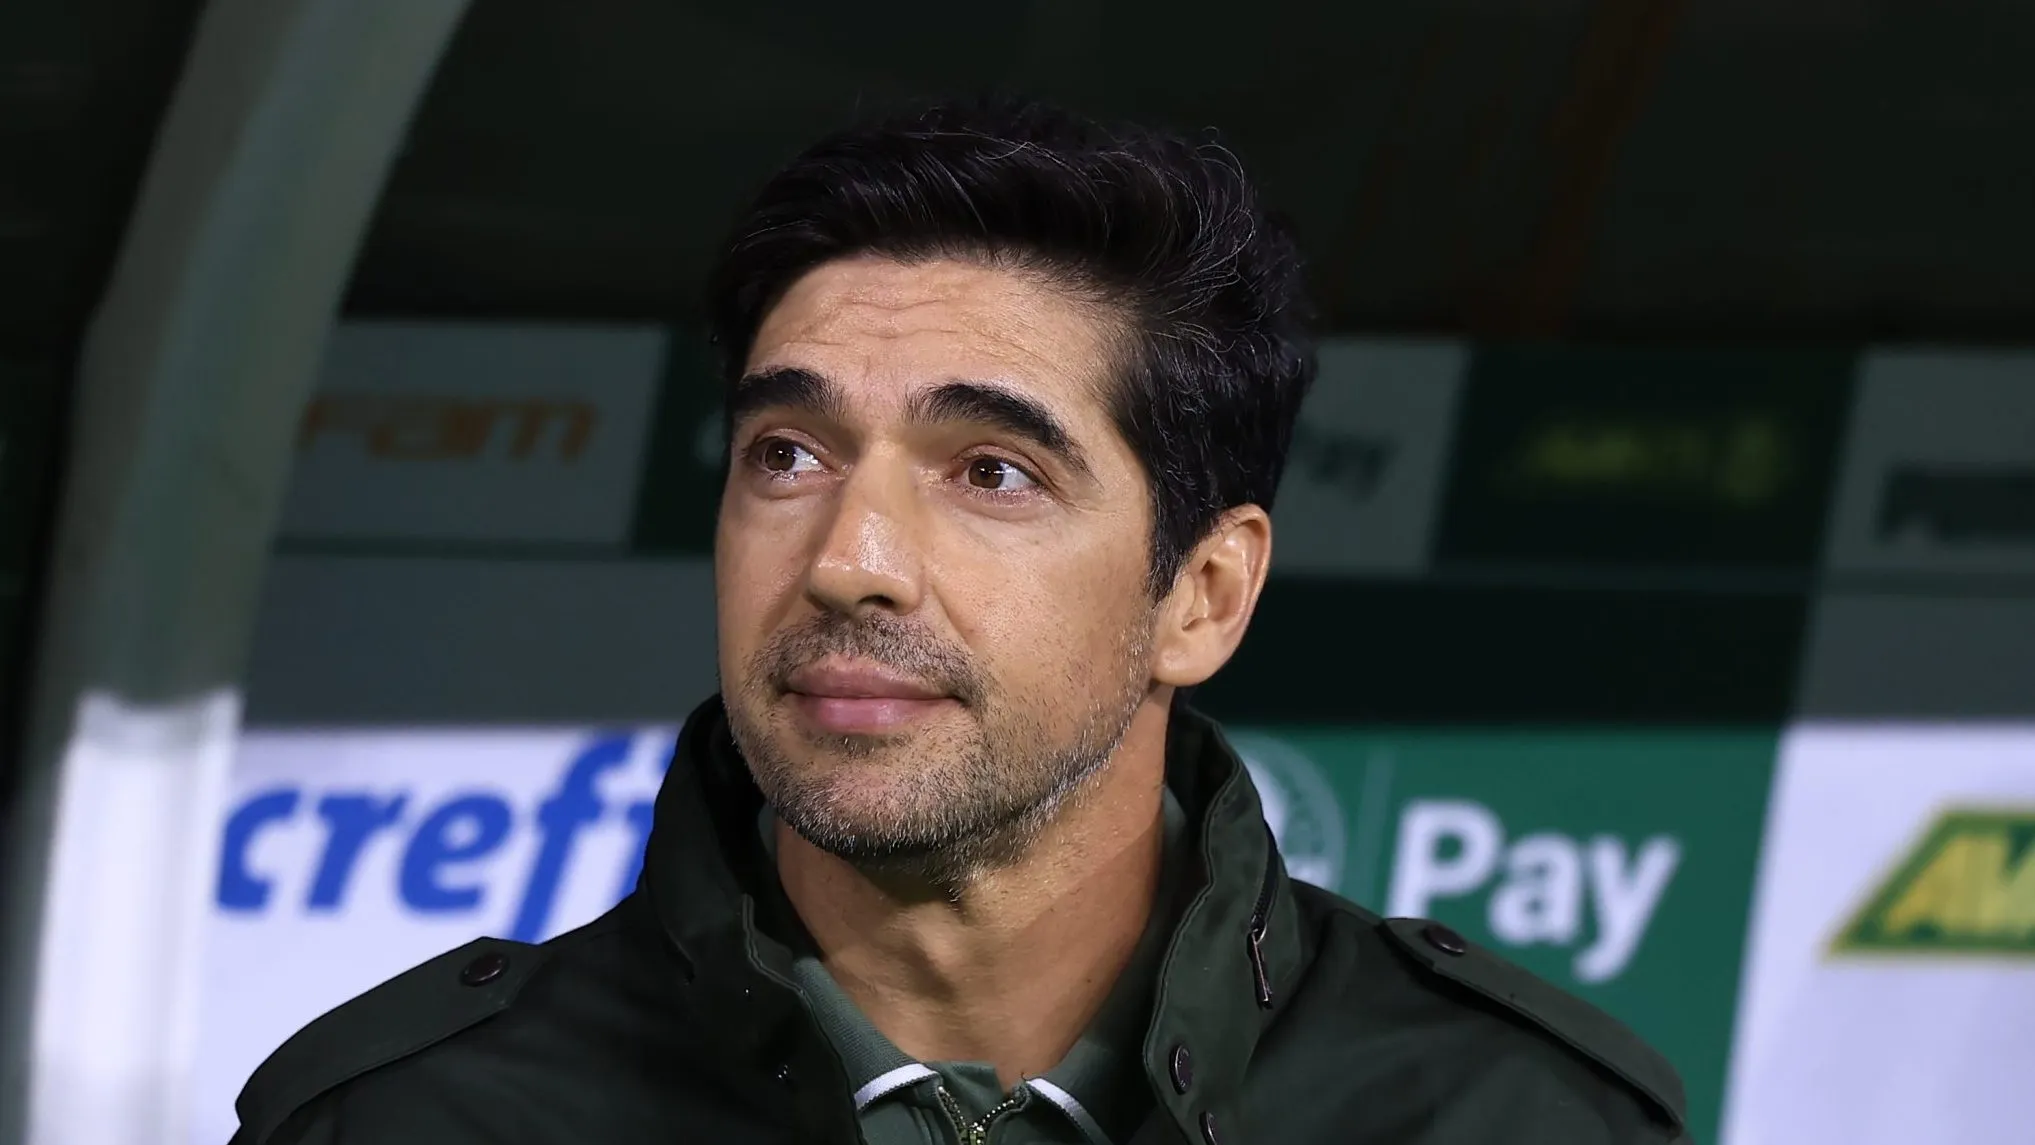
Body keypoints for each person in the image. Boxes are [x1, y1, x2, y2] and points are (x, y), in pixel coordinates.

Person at [230, 98, 1690, 1145]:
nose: (849, 562)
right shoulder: (413, 1117)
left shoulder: (1510, 1113)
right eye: (787, 454)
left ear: (1202, 595)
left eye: (991, 472)